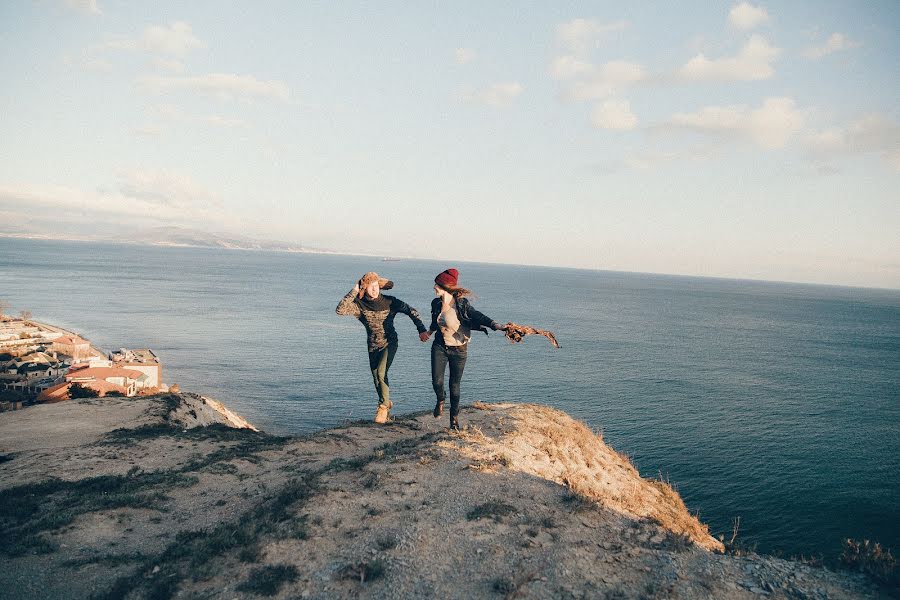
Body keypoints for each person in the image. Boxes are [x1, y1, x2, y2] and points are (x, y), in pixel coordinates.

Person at [336, 272, 429, 423]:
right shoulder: (360, 306)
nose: (374, 290)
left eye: (376, 286)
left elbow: (412, 311)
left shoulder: (390, 302)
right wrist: (354, 289)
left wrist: (421, 329)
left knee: (381, 373)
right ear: (364, 288)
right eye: (371, 287)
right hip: (373, 345)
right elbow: (340, 310)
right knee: (376, 378)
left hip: (389, 342)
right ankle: (386, 402)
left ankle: (383, 406)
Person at [422, 268, 506, 430]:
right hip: (440, 346)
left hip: (459, 350)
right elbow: (435, 321)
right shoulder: (436, 303)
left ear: (445, 286)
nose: (434, 287)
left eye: (437, 285)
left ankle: (453, 418)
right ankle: (440, 400)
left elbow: (477, 315)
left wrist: (496, 325)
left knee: (454, 385)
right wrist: (429, 333)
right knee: (437, 381)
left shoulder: (461, 304)